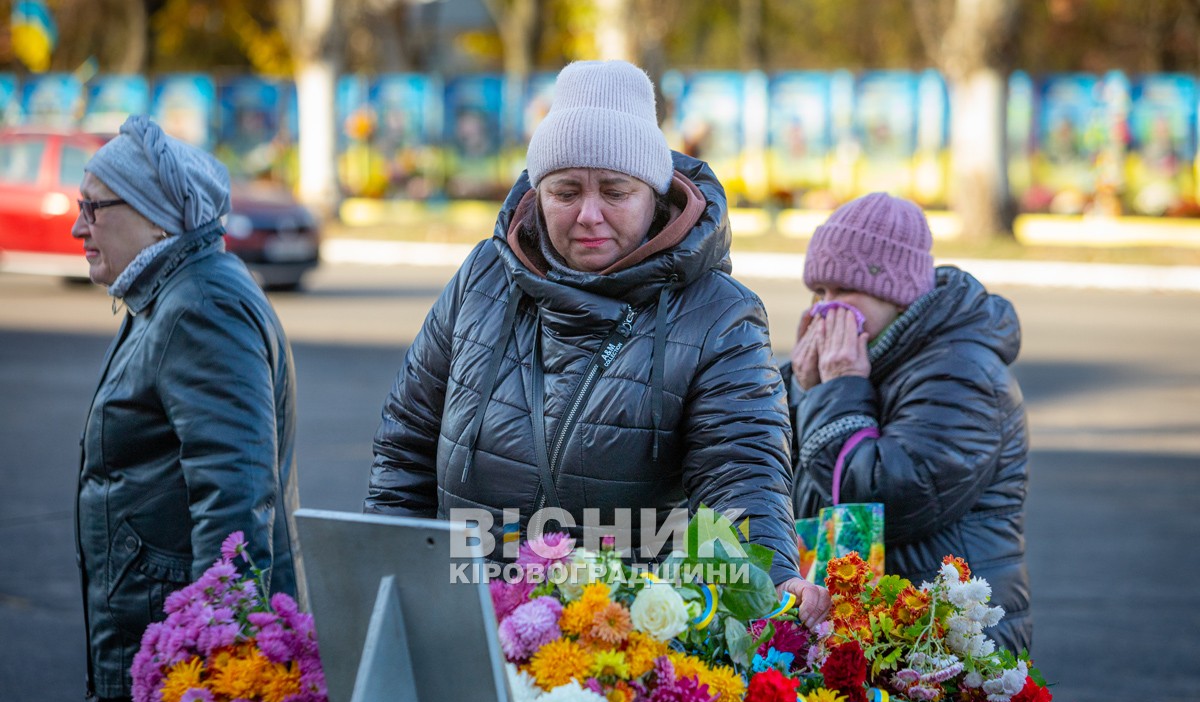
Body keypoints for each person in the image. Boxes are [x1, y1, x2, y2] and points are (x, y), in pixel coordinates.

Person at [366, 60, 828, 624]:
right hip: (464, 624)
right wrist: (388, 582)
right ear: (537, 193)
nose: (589, 215)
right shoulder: (484, 277)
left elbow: (742, 470)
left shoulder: (721, 315)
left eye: (615, 191)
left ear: (654, 195)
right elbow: (404, 447)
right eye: (565, 191)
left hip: (629, 648)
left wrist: (771, 578)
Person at [72, 115, 300, 702]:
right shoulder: (170, 293)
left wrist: (216, 646)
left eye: (93, 206)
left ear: (155, 214)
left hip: (182, 657)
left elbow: (235, 494)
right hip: (158, 644)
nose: (77, 226)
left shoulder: (201, 305)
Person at [786, 192, 1032, 655]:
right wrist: (802, 388)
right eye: (819, 293)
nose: (825, 309)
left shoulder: (961, 372)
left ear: (895, 293)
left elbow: (880, 500)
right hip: (877, 627)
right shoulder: (868, 358)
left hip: (949, 638)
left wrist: (833, 390)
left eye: (843, 292)